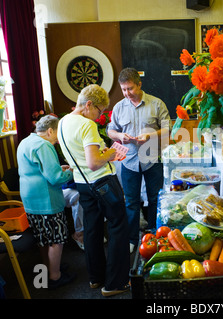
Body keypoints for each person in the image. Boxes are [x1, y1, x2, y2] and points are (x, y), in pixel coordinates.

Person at [57, 84, 130, 297]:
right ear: (89, 104)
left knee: (92, 229)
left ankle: (96, 278)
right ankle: (115, 283)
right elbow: (93, 162)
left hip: (82, 184)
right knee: (118, 228)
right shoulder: (86, 125)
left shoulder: (63, 122)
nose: (99, 116)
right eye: (99, 110)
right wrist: (109, 154)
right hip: (102, 182)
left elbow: (79, 159)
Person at [107, 67, 170, 253]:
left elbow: (167, 129)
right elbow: (110, 130)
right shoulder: (119, 107)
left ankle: (154, 235)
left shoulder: (157, 104)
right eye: (124, 89)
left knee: (155, 199)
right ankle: (133, 239)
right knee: (131, 202)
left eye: (130, 89)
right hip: (128, 161)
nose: (127, 93)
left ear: (139, 84)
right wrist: (119, 135)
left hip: (152, 159)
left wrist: (151, 135)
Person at [17, 115, 75, 289]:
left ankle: (49, 269)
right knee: (56, 239)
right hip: (46, 199)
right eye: (57, 135)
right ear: (50, 130)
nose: (58, 140)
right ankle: (55, 276)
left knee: (43, 238)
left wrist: (59, 168)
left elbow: (37, 169)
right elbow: (56, 178)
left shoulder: (26, 141)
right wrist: (71, 170)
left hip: (30, 198)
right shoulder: (44, 145)